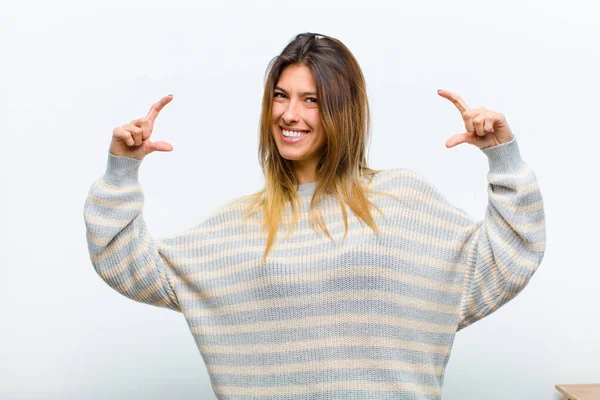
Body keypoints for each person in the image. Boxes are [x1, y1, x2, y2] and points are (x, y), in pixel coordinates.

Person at [83, 32, 546, 399]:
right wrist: (123, 168)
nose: (289, 113)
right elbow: (128, 262)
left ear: (342, 111)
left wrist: (502, 157)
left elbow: (505, 257)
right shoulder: (239, 224)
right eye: (281, 96)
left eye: (311, 99)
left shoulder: (401, 199)